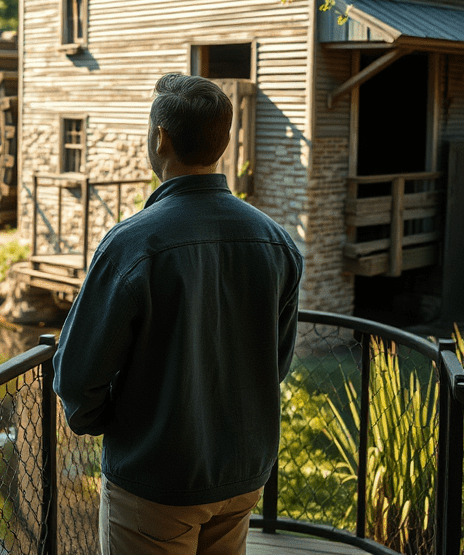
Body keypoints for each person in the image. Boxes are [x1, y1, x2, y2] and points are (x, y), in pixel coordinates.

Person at [52, 73, 303, 555]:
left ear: (160, 138)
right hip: (242, 475)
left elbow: (76, 375)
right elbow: (277, 365)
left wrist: (110, 420)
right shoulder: (276, 242)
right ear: (223, 143)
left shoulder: (133, 243)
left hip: (155, 482)